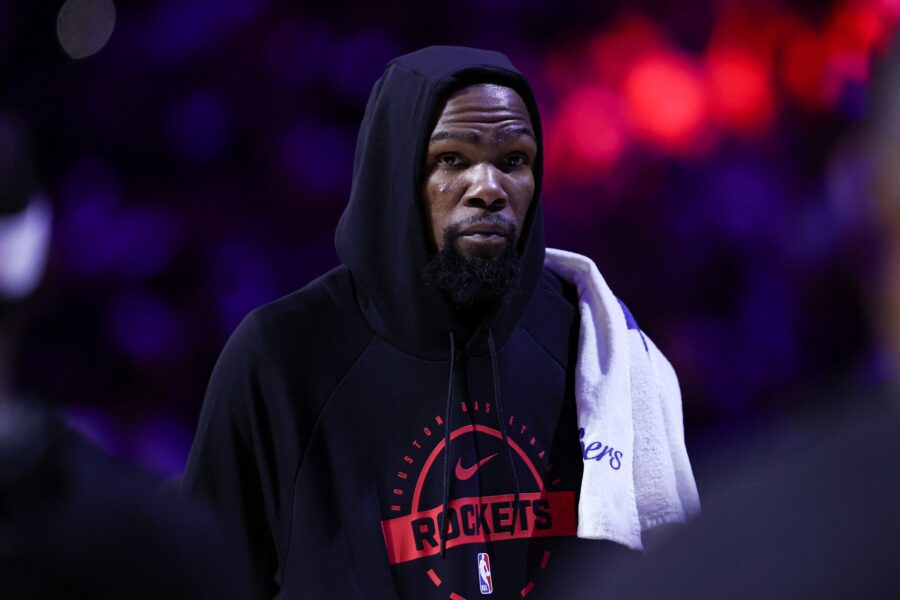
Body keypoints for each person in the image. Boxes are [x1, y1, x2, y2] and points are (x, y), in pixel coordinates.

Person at [183, 46, 698, 599]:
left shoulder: (594, 346)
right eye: (452, 159)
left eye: (514, 160)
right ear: (395, 172)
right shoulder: (282, 357)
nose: (489, 187)